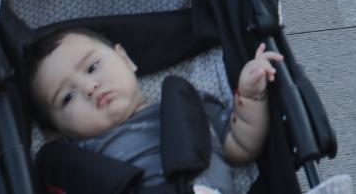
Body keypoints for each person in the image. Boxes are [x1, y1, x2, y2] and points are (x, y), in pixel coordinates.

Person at [27, 28, 278, 186]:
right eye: (67, 98)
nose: (89, 87)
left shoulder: (188, 107)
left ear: (125, 59)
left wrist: (251, 96)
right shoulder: (79, 159)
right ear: (54, 130)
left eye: (92, 68)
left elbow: (241, 145)